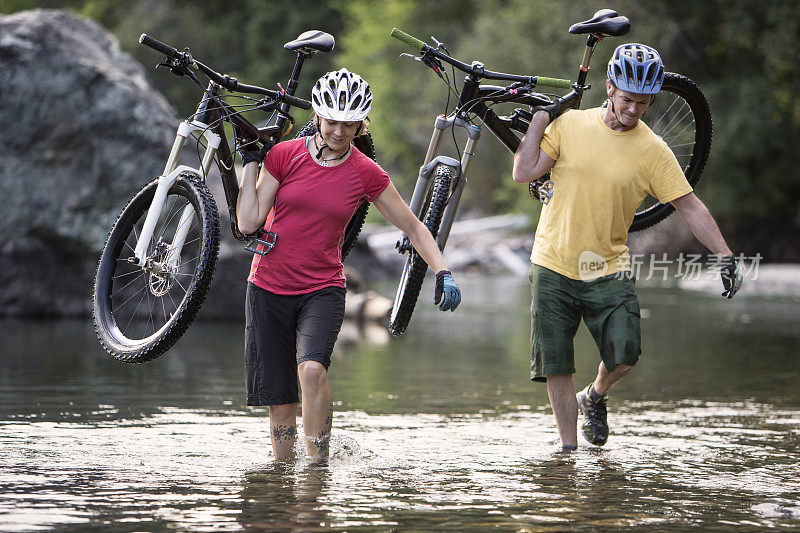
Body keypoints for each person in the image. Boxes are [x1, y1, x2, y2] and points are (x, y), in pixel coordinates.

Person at [512, 43, 742, 452]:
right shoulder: (570, 126)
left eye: (644, 103)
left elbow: (689, 205)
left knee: (626, 354)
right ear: (609, 88)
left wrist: (725, 255)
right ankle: (568, 454)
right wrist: (540, 120)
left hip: (607, 265)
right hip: (552, 261)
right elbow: (523, 171)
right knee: (556, 365)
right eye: (627, 99)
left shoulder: (654, 151)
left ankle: (595, 396)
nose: (634, 110)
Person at [236, 68, 461, 463]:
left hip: (322, 288)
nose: (340, 131)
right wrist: (253, 163)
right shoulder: (284, 154)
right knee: (280, 400)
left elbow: (413, 225)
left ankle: (317, 470)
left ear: (362, 125)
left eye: (350, 123)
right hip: (267, 285)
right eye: (333, 121)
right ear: (318, 116)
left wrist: (443, 270)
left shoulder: (365, 172)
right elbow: (248, 222)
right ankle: (282, 475)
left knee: (311, 370)